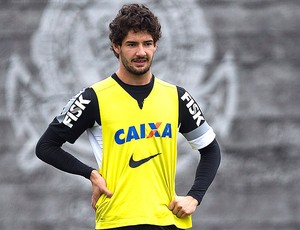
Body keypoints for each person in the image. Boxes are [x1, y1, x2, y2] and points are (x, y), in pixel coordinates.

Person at [36, 3, 221, 230]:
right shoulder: (92, 98)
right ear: (116, 47)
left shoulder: (177, 97)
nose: (141, 52)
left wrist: (195, 196)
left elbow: (211, 149)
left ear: (156, 46)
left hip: (167, 221)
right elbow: (46, 146)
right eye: (132, 44)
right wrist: (91, 174)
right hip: (117, 221)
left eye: (147, 44)